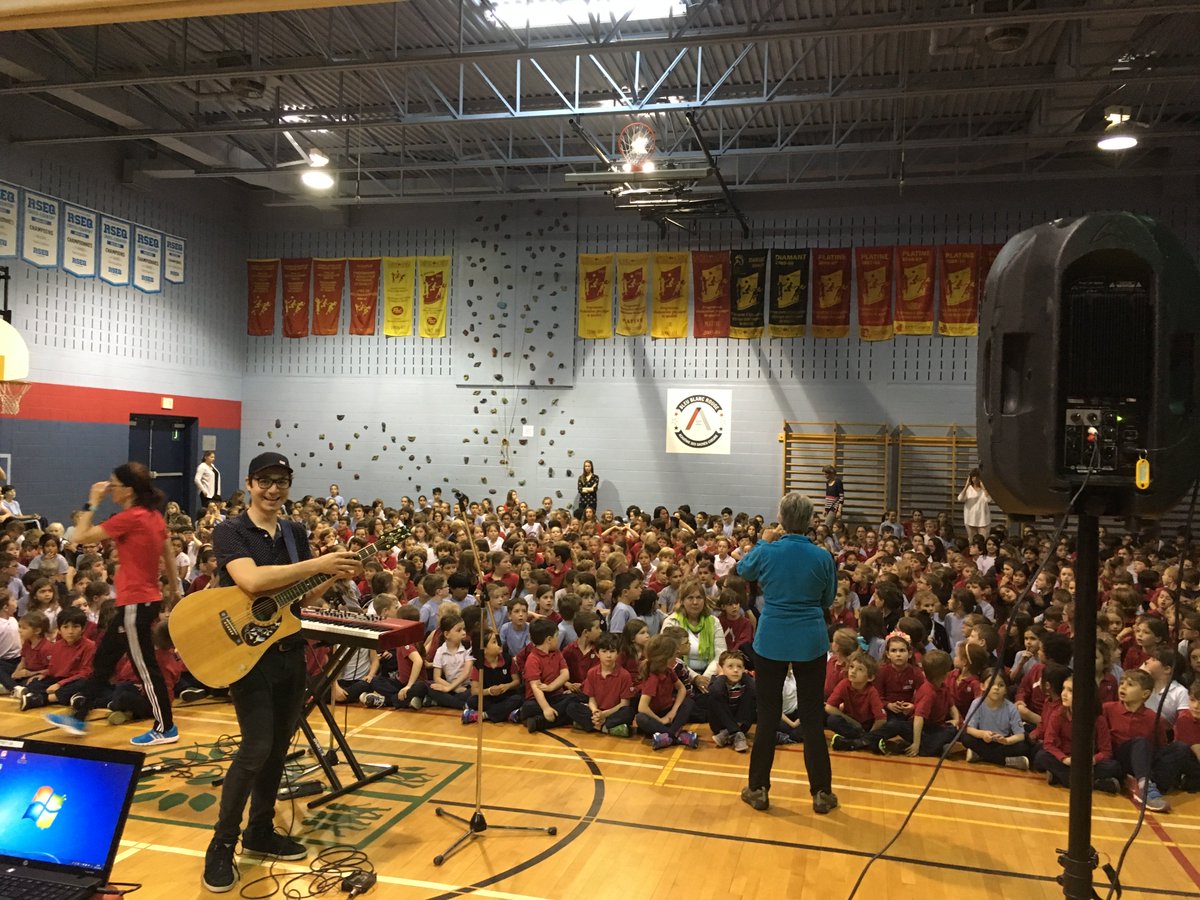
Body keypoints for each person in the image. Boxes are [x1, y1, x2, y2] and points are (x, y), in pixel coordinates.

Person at [200, 453, 359, 894]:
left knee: (276, 750)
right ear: (250, 483)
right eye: (265, 481)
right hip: (247, 656)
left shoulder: (294, 532)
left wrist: (335, 572)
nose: (273, 490)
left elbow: (300, 595)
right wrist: (318, 564)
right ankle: (221, 844)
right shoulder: (230, 530)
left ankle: (260, 831)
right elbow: (251, 582)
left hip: (289, 651)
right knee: (255, 748)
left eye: (281, 482)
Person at [45, 463, 182, 746]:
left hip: (136, 604)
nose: (109, 489)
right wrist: (174, 588)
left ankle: (165, 727)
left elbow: (77, 538)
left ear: (128, 490)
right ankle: (79, 716)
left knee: (145, 668)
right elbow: (167, 553)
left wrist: (92, 501)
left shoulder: (130, 517)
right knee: (104, 661)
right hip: (138, 602)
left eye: (113, 485)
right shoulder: (153, 516)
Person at [735, 492, 837, 814]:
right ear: (810, 521)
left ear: (781, 518)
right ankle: (821, 793)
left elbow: (743, 569)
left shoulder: (768, 551)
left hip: (772, 639)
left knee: (767, 715)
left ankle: (758, 789)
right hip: (810, 640)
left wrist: (763, 541)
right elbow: (828, 599)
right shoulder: (822, 556)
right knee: (812, 717)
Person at [957, 469, 992, 540]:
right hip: (970, 519)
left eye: (977, 477)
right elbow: (960, 498)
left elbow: (988, 500)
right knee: (972, 540)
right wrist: (966, 486)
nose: (975, 479)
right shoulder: (968, 489)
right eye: (973, 477)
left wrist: (984, 488)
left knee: (983, 540)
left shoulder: (984, 489)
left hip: (983, 519)